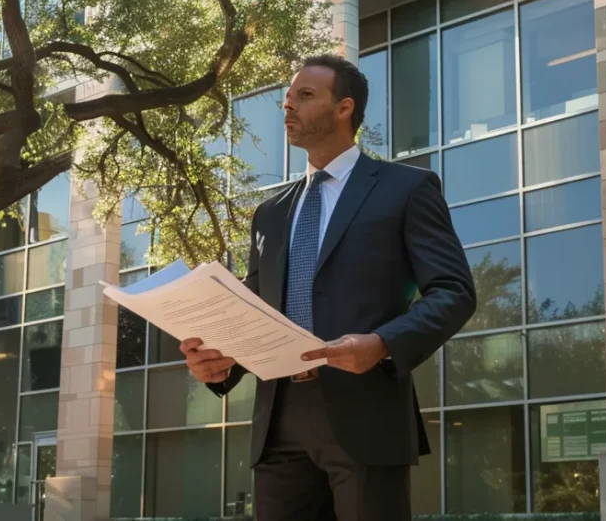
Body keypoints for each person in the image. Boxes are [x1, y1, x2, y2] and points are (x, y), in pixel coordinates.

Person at [180, 54, 476, 520]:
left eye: (305, 95)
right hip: (278, 423)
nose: (288, 107)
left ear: (344, 108)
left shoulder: (407, 189)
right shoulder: (271, 213)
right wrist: (222, 361)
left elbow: (453, 291)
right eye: (286, 98)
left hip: (366, 415)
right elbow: (258, 306)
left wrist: (381, 344)